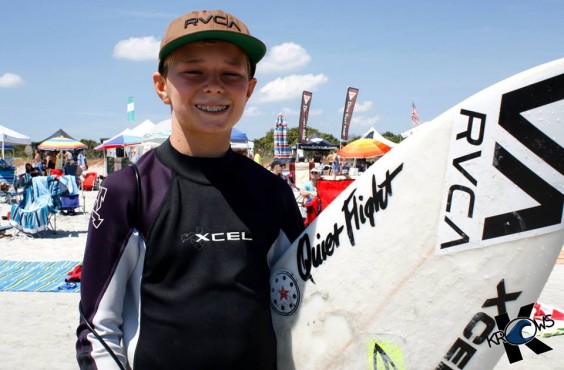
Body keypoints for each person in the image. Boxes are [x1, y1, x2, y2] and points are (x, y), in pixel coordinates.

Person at [76, 9, 304, 370]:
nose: (213, 85)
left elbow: (305, 306)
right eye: (193, 71)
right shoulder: (129, 192)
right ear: (161, 85)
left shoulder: (273, 193)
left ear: (249, 89)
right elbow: (97, 329)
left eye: (231, 74)